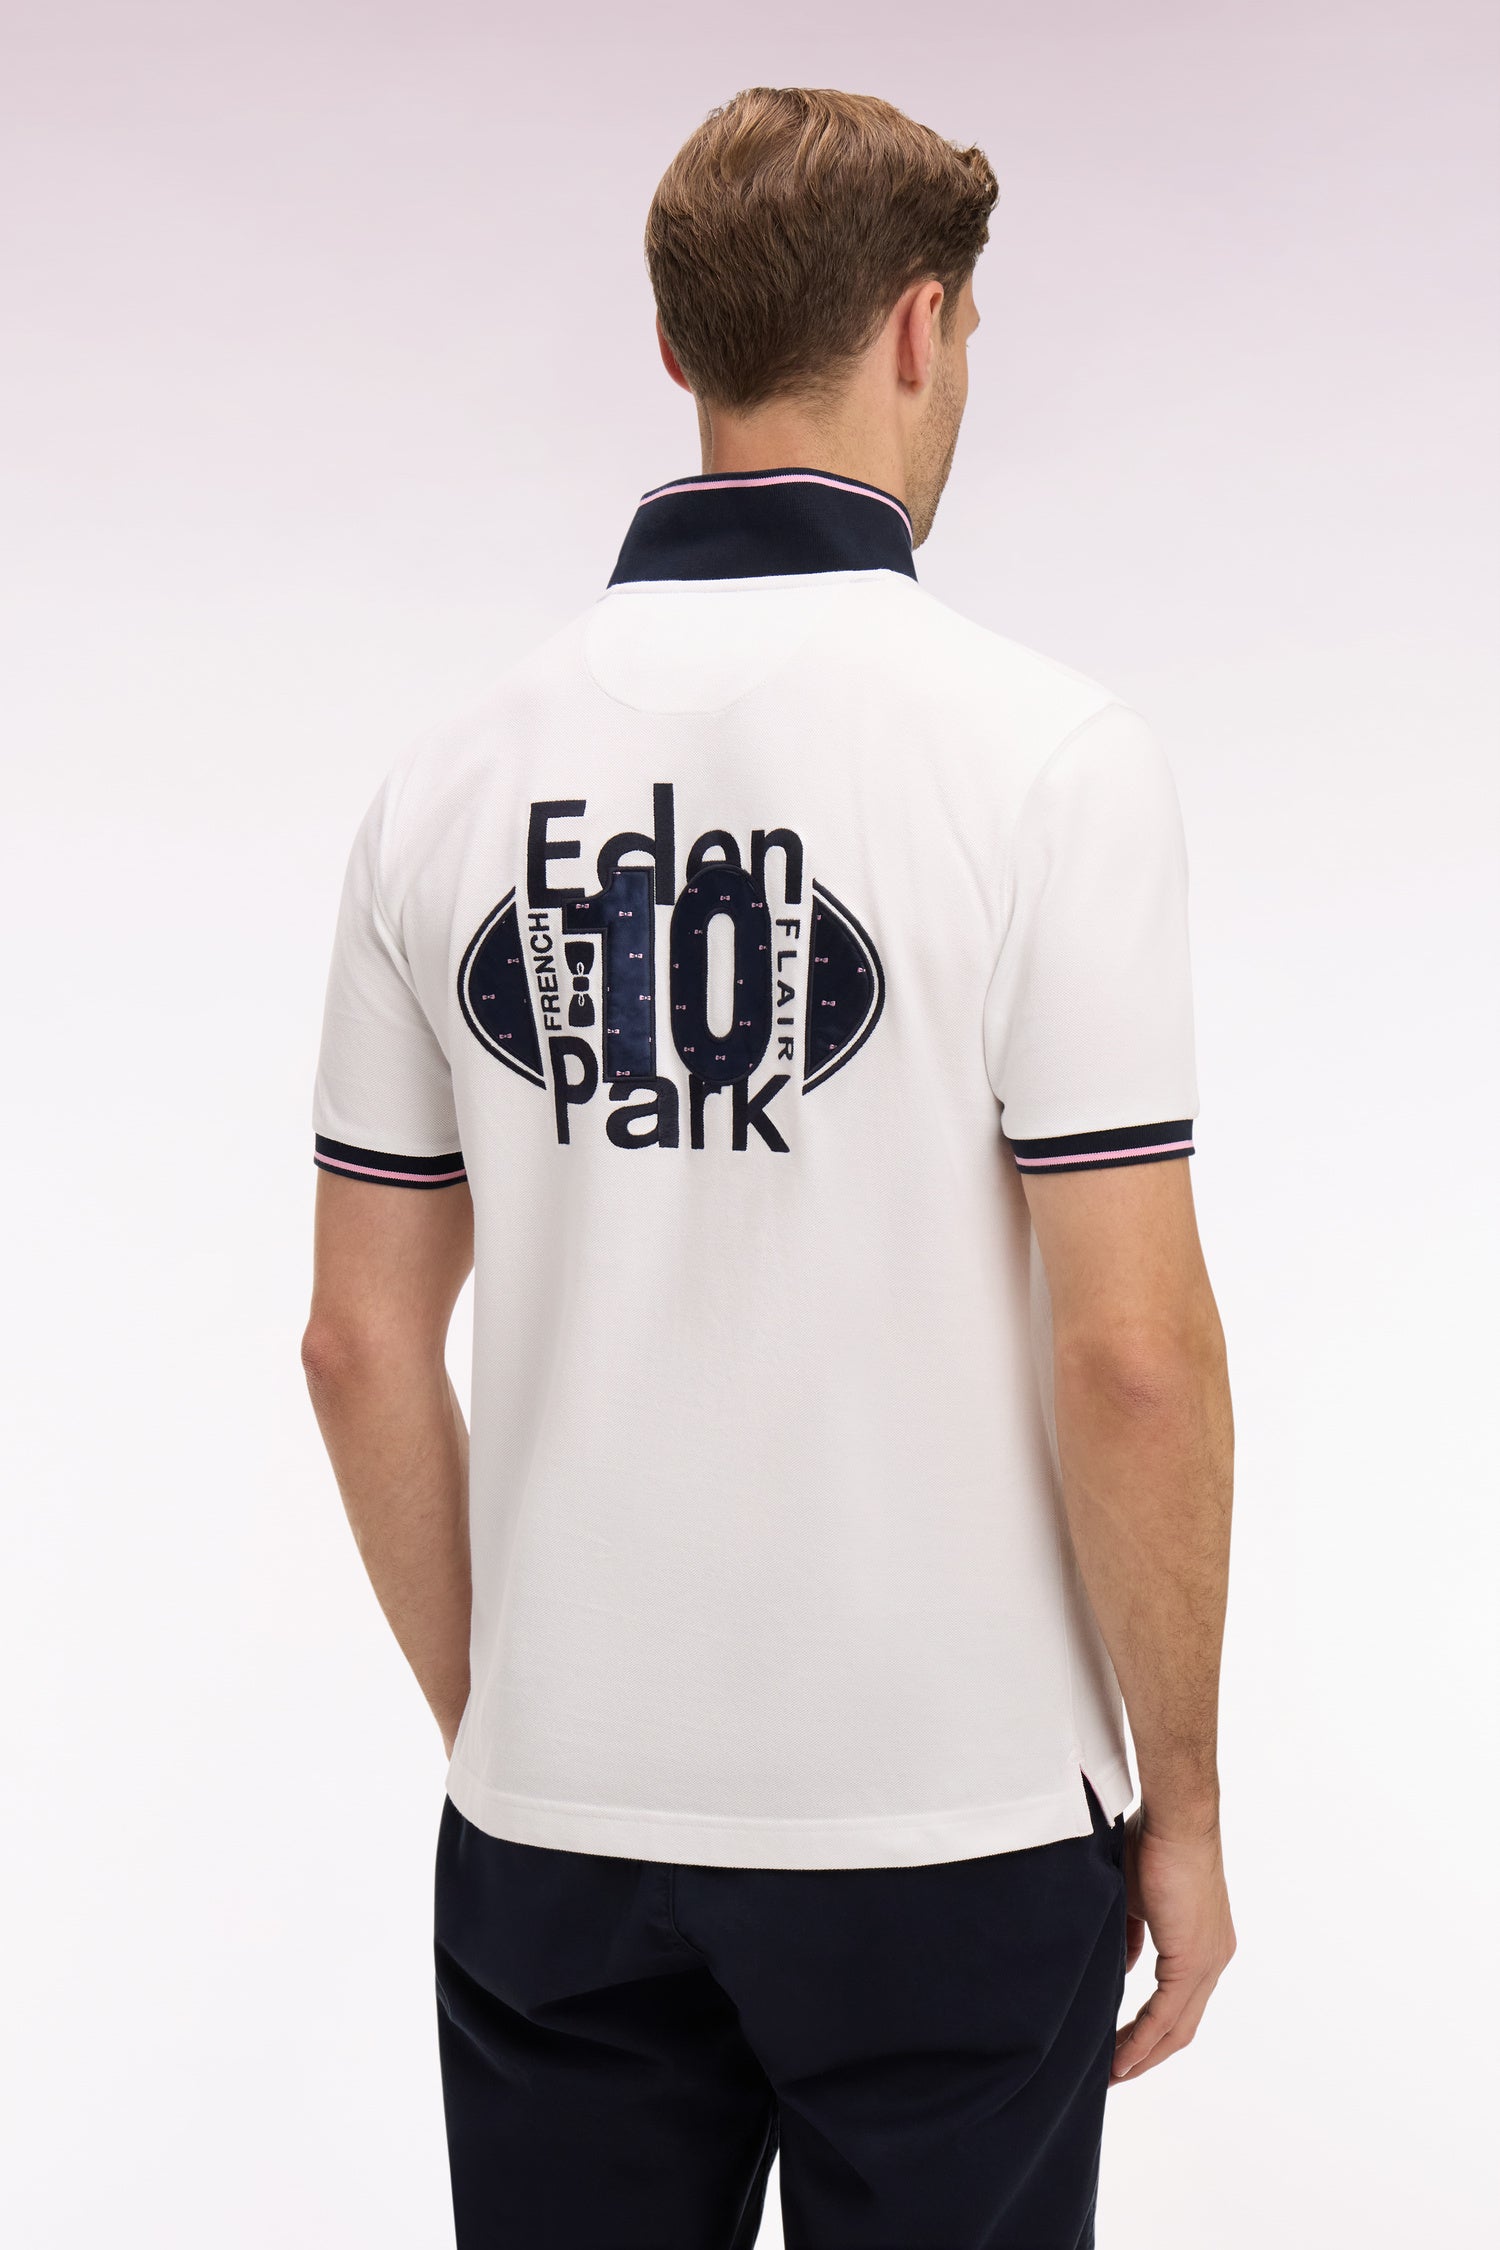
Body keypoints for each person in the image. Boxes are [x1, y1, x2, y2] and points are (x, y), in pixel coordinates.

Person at [301, 83, 1235, 2250]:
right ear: (920, 325)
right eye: (970, 330)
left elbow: (358, 1345)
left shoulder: (442, 784)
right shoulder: (1049, 763)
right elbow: (1131, 1358)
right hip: (949, 1815)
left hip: (557, 1828)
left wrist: (513, 1729)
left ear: (677, 346)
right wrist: (1182, 1800)